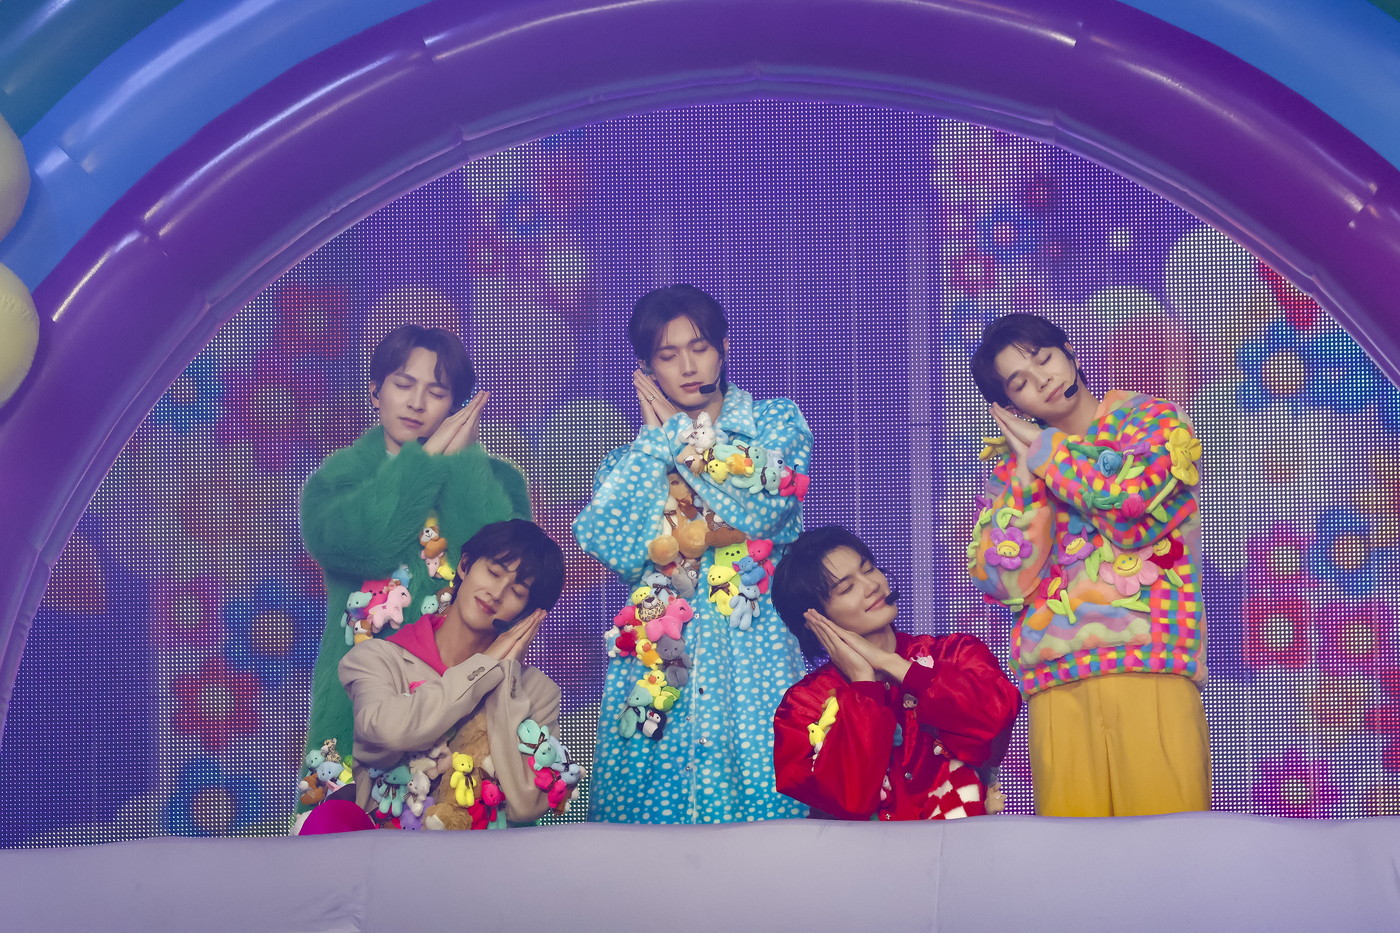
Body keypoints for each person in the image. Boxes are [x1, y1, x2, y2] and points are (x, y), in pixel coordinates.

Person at [573, 284, 813, 823]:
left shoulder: (775, 422)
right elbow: (608, 543)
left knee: (764, 794)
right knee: (643, 813)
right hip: (659, 651)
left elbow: (765, 507)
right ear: (646, 369)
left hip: (752, 640)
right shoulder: (629, 459)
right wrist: (653, 446)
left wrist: (680, 438)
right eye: (667, 355)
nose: (686, 366)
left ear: (724, 347)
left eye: (699, 347)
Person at [966, 312, 1209, 816]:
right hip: (1057, 680)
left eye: (1044, 359)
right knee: (1072, 859)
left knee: (1169, 846)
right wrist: (1026, 476)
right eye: (1020, 383)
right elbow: (1003, 580)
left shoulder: (1153, 420)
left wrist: (1045, 451)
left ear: (1070, 352)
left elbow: (1130, 509)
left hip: (1150, 664)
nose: (1043, 380)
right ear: (1010, 405)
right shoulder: (1011, 471)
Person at [297, 325, 530, 808]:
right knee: (339, 835)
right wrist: (421, 465)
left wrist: (462, 465)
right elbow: (362, 545)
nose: (417, 403)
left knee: (457, 822)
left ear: (456, 406)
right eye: (403, 384)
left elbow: (509, 570)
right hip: (357, 695)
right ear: (375, 392)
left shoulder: (499, 481)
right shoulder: (339, 478)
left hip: (462, 687)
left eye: (437, 392)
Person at [770, 526, 1020, 820]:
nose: (872, 585)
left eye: (869, 569)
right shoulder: (803, 704)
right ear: (815, 620)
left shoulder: (954, 654)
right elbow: (848, 800)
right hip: (863, 850)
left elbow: (994, 726)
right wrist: (863, 685)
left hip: (961, 844)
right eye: (846, 588)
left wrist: (894, 665)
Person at [337, 520, 572, 828]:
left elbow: (526, 806)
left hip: (486, 857)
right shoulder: (376, 658)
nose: (497, 593)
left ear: (528, 612)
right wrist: (484, 666)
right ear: (464, 565)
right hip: (387, 852)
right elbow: (388, 733)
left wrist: (505, 678)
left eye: (517, 591)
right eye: (493, 572)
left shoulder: (538, 692)